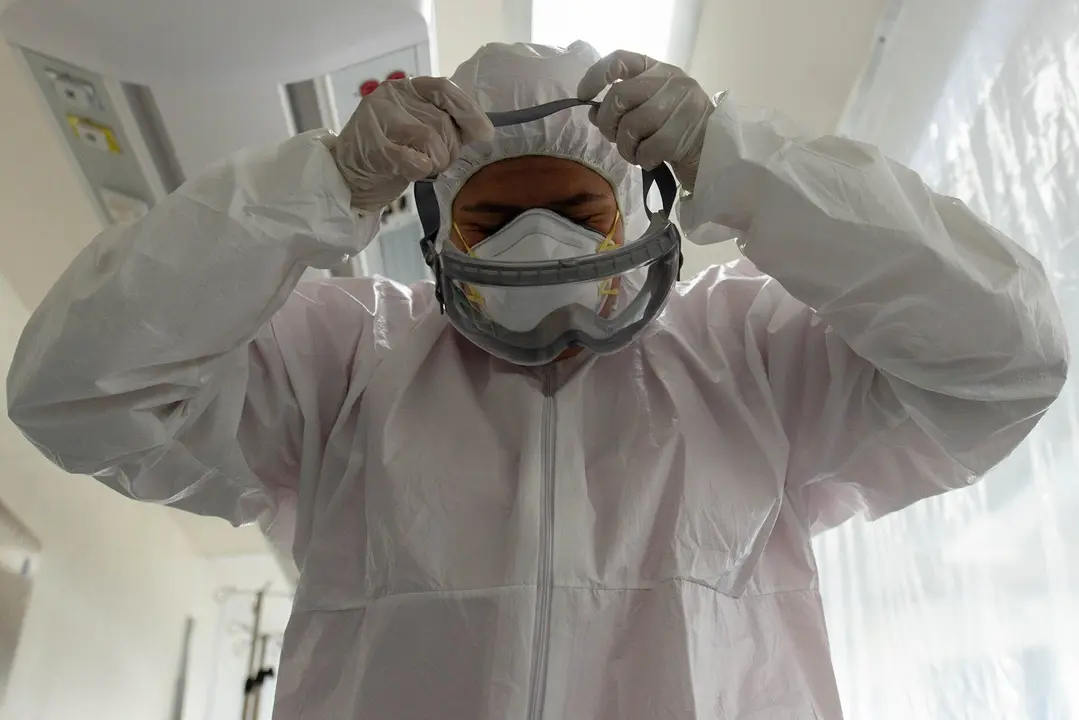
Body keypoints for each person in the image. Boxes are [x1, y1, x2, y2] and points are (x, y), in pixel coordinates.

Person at [5, 40, 1068, 719]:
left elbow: (1002, 355)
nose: (534, 240)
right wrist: (317, 188)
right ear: (433, 230)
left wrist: (741, 162)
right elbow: (80, 392)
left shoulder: (751, 358)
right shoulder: (342, 365)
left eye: (570, 203)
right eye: (494, 214)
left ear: (634, 207)